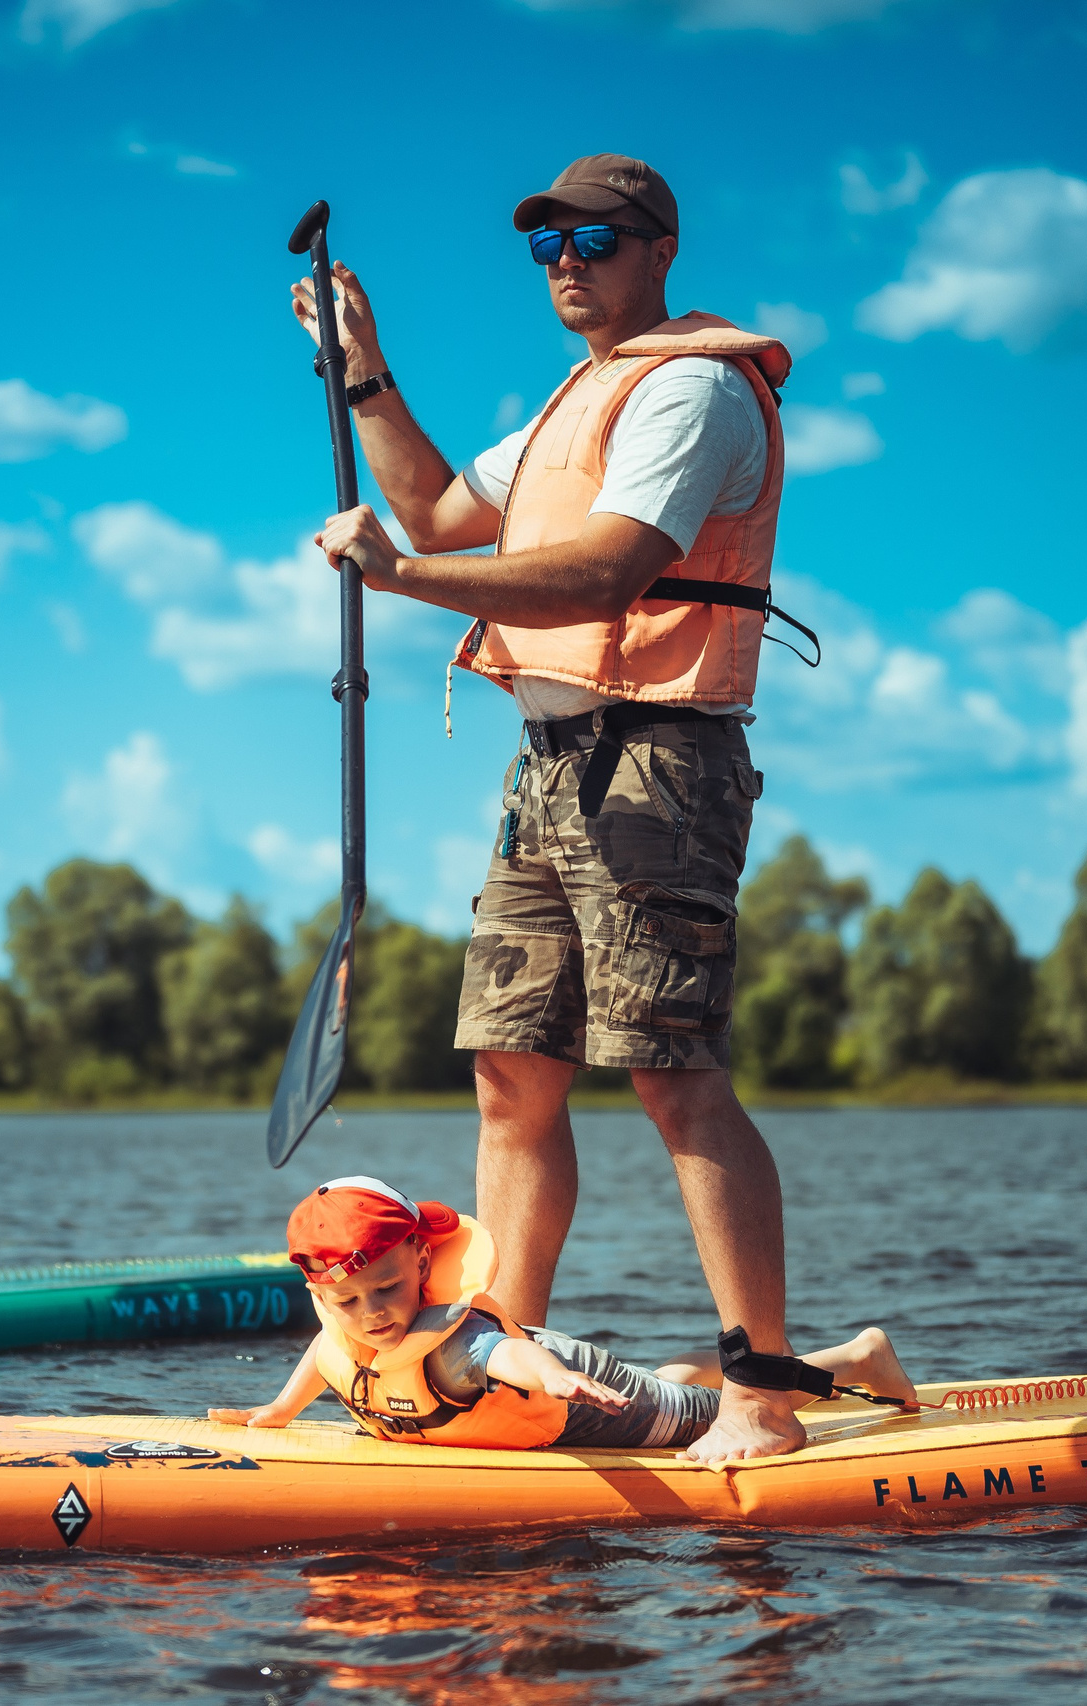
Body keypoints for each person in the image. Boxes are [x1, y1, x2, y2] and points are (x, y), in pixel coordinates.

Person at [293, 154, 819, 1459]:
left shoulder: (692, 389)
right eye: (548, 246)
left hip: (659, 764)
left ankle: (761, 1396)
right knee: (511, 1072)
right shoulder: (568, 410)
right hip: (546, 770)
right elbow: (428, 500)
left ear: (659, 251)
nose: (568, 261)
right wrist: (362, 366)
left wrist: (406, 578)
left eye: (596, 239)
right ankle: (496, 1372)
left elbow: (605, 570)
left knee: (671, 1073)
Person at [209, 1178, 915, 1455]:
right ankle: (686, 1363)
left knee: (700, 1412)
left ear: (423, 1263)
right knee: (662, 1382)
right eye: (349, 1302)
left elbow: (507, 1358)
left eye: (387, 1289)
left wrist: (557, 1378)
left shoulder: (451, 1342)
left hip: (577, 1394)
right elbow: (326, 1354)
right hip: (570, 1379)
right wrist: (278, 1410)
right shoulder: (349, 1321)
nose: (371, 1315)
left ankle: (857, 1357)